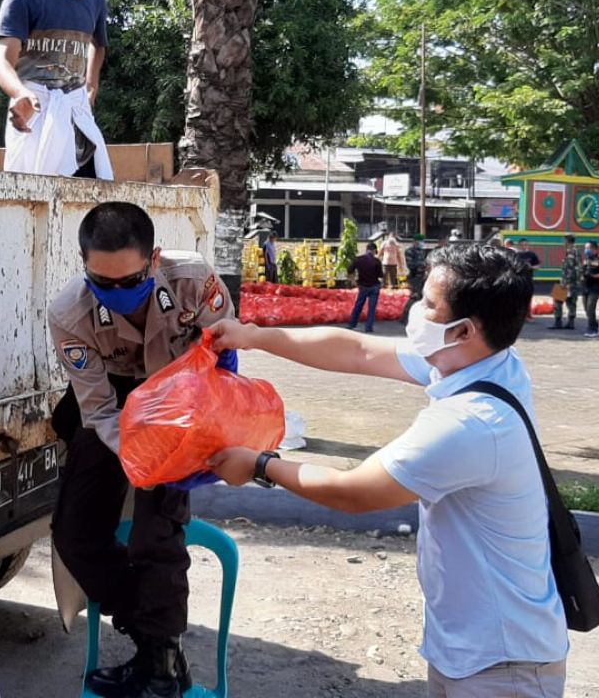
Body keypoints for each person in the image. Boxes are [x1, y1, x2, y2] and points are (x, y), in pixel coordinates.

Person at [206, 244, 569, 696]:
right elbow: (357, 350)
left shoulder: (471, 422)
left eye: (430, 305)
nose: (416, 311)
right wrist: (255, 336)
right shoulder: (486, 364)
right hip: (480, 647)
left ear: (464, 331)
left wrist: (261, 463)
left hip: (501, 664)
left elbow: (354, 491)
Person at [48, 202, 237, 698]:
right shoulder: (69, 312)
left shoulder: (192, 280)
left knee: (158, 530)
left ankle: (159, 665)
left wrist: (199, 437)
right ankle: (157, 637)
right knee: (73, 531)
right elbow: (99, 409)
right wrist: (141, 458)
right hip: (114, 399)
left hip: (183, 392)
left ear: (153, 260)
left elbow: (225, 354)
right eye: (101, 283)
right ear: (84, 265)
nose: (118, 294)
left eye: (129, 281)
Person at [0, 0, 112, 178]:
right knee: (33, 201)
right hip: (36, 115)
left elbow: (99, 44)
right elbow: (2, 62)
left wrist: (91, 87)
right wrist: (20, 93)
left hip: (76, 116)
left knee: (90, 204)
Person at [346, 242, 384, 333]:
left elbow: (349, 270)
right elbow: (380, 275)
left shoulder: (358, 259)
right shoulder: (376, 261)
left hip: (363, 286)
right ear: (374, 250)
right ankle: (368, 327)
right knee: (372, 308)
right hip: (374, 286)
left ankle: (352, 324)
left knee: (358, 305)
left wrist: (353, 281)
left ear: (366, 249)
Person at [551, 234, 582, 330]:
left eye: (564, 240)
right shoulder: (574, 251)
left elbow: (572, 269)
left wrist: (566, 283)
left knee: (559, 300)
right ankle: (570, 322)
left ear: (567, 241)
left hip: (568, 282)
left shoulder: (572, 252)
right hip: (571, 281)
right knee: (570, 302)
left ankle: (559, 322)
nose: (563, 242)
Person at [581, 240, 599, 337]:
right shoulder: (586, 259)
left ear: (594, 248)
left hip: (595, 287)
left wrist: (593, 276)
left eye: (587, 248)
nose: (586, 250)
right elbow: (583, 271)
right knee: (586, 308)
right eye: (585, 248)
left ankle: (592, 329)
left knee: (590, 308)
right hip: (585, 287)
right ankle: (595, 324)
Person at [400, 234, 427, 324]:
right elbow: (410, 265)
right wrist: (422, 264)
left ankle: (417, 318)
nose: (422, 243)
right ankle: (405, 318)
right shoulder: (410, 251)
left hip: (422, 277)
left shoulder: (423, 251)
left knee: (421, 297)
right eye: (420, 241)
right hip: (414, 277)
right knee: (414, 297)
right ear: (415, 241)